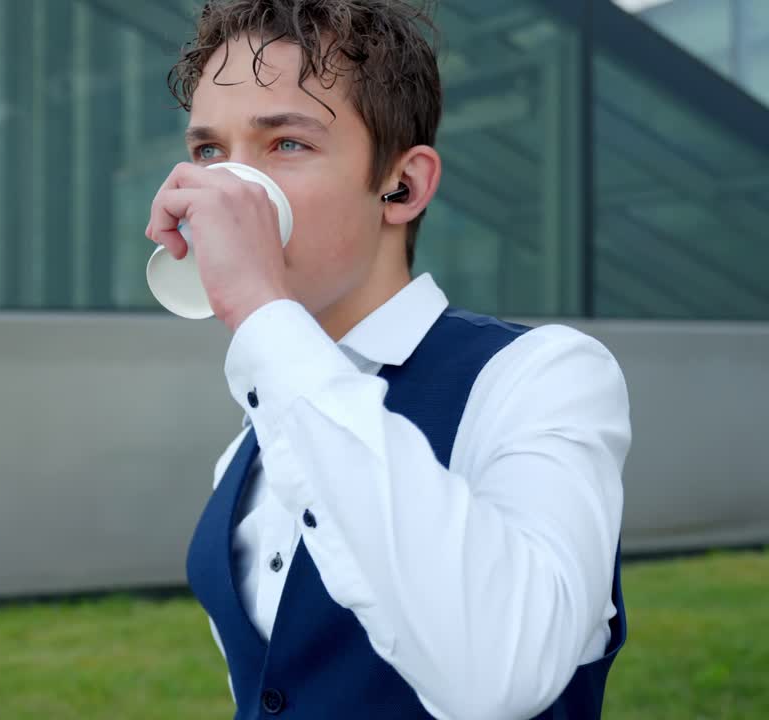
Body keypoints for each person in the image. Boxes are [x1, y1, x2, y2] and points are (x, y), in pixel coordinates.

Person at [144, 1, 631, 718]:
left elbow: (501, 676)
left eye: (286, 145)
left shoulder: (541, 376)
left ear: (402, 186)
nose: (225, 193)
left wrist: (259, 308)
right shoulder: (252, 442)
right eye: (210, 152)